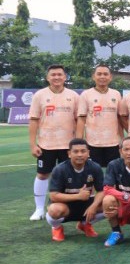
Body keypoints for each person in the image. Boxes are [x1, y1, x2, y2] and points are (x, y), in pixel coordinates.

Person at [28, 64, 79, 221]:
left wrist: (77, 143)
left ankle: (68, 208)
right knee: (43, 174)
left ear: (65, 77)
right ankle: (39, 209)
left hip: (68, 145)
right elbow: (34, 120)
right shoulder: (39, 95)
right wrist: (33, 144)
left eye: (59, 74)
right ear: (47, 77)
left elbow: (79, 120)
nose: (56, 77)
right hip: (46, 144)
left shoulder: (73, 96)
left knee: (69, 176)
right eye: (53, 75)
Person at [45, 138, 105, 242]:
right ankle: (57, 228)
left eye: (83, 151)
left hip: (87, 204)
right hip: (66, 206)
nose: (80, 154)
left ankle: (85, 224)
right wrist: (78, 196)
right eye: (76, 151)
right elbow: (53, 196)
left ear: (88, 153)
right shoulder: (60, 169)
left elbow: (102, 190)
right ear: (69, 154)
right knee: (54, 210)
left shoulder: (95, 167)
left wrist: (94, 206)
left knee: (111, 204)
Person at [76, 64, 123, 167]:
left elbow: (119, 118)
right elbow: (81, 119)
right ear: (94, 77)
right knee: (92, 173)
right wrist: (79, 142)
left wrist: (122, 139)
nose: (102, 76)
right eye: (99, 74)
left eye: (105, 74)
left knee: (113, 172)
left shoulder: (116, 94)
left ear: (110, 77)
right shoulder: (86, 94)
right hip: (93, 143)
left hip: (113, 143)